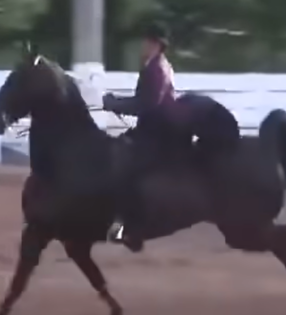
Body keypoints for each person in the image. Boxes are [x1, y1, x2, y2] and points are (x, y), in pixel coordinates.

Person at [102, 23, 240, 251]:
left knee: (129, 168)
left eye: (146, 42)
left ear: (156, 44)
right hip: (156, 126)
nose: (142, 46)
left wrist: (114, 103)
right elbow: (143, 100)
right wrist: (116, 101)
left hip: (162, 130)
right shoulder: (155, 66)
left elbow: (148, 104)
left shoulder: (156, 69)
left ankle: (130, 228)